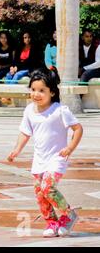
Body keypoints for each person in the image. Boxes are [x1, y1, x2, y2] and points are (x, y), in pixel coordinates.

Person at [8, 68, 83, 237]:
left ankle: (68, 214)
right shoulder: (29, 111)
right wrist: (17, 150)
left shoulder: (59, 110)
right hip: (39, 160)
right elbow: (25, 132)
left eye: (42, 90)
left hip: (57, 159)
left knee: (48, 188)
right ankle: (52, 223)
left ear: (52, 92)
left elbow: (77, 129)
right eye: (33, 90)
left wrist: (70, 148)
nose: (36, 94)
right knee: (40, 195)